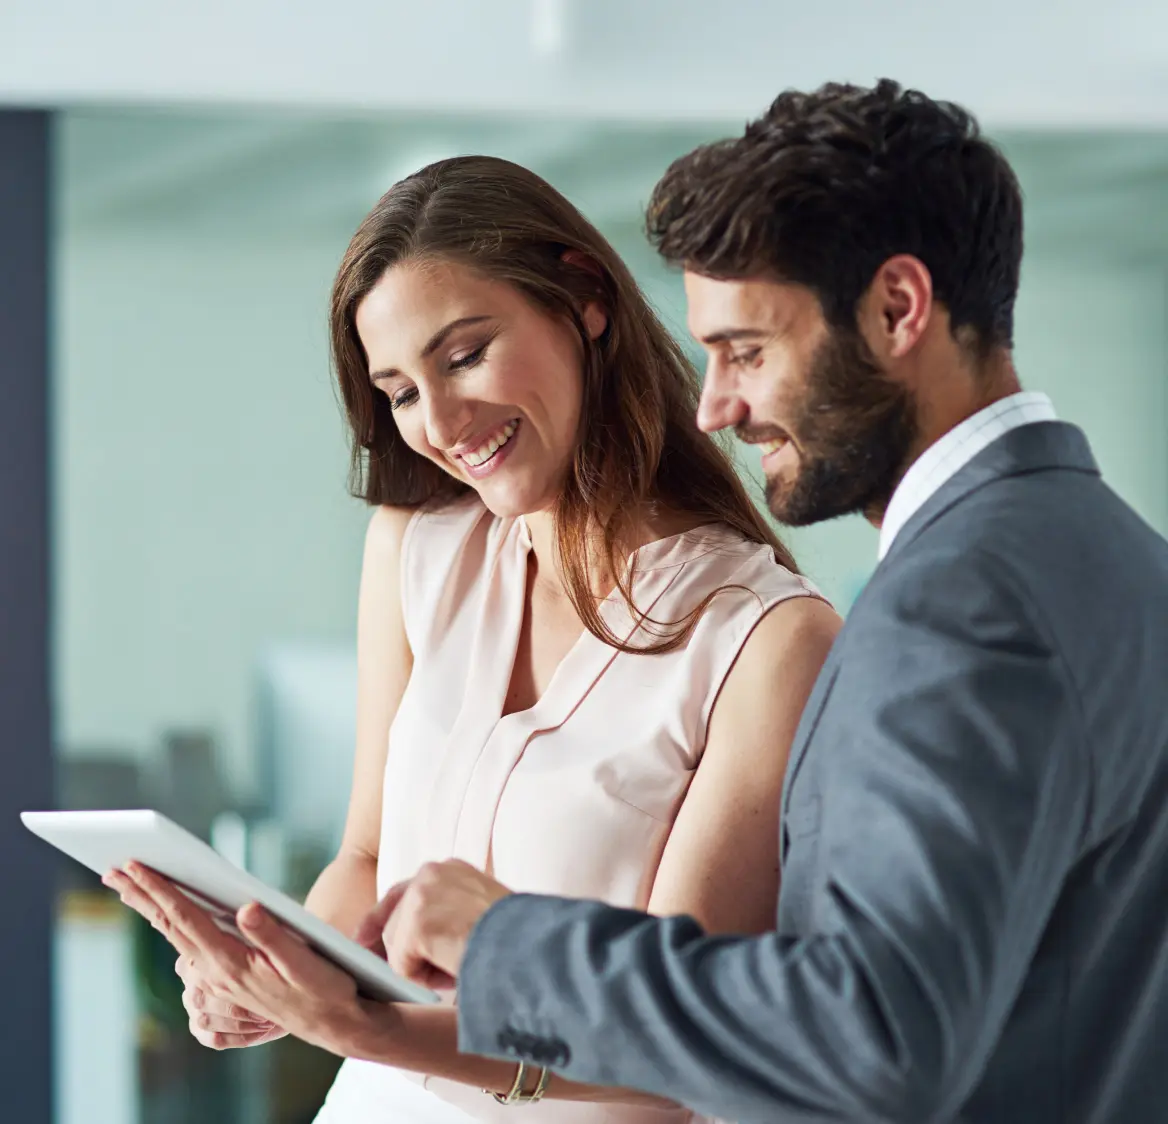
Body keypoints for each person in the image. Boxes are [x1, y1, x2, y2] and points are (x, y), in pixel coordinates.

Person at [368, 81, 1168, 1123]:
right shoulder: (1114, 553)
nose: (716, 404)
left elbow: (877, 1030)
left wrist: (508, 942)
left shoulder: (959, 604)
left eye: (747, 349)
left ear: (896, 309)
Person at [103, 154, 840, 1123]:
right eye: (401, 390)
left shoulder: (768, 638)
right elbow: (365, 855)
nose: (441, 422)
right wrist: (273, 972)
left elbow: (680, 1037)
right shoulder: (415, 551)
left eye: (463, 354)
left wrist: (360, 1027)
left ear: (584, 298)